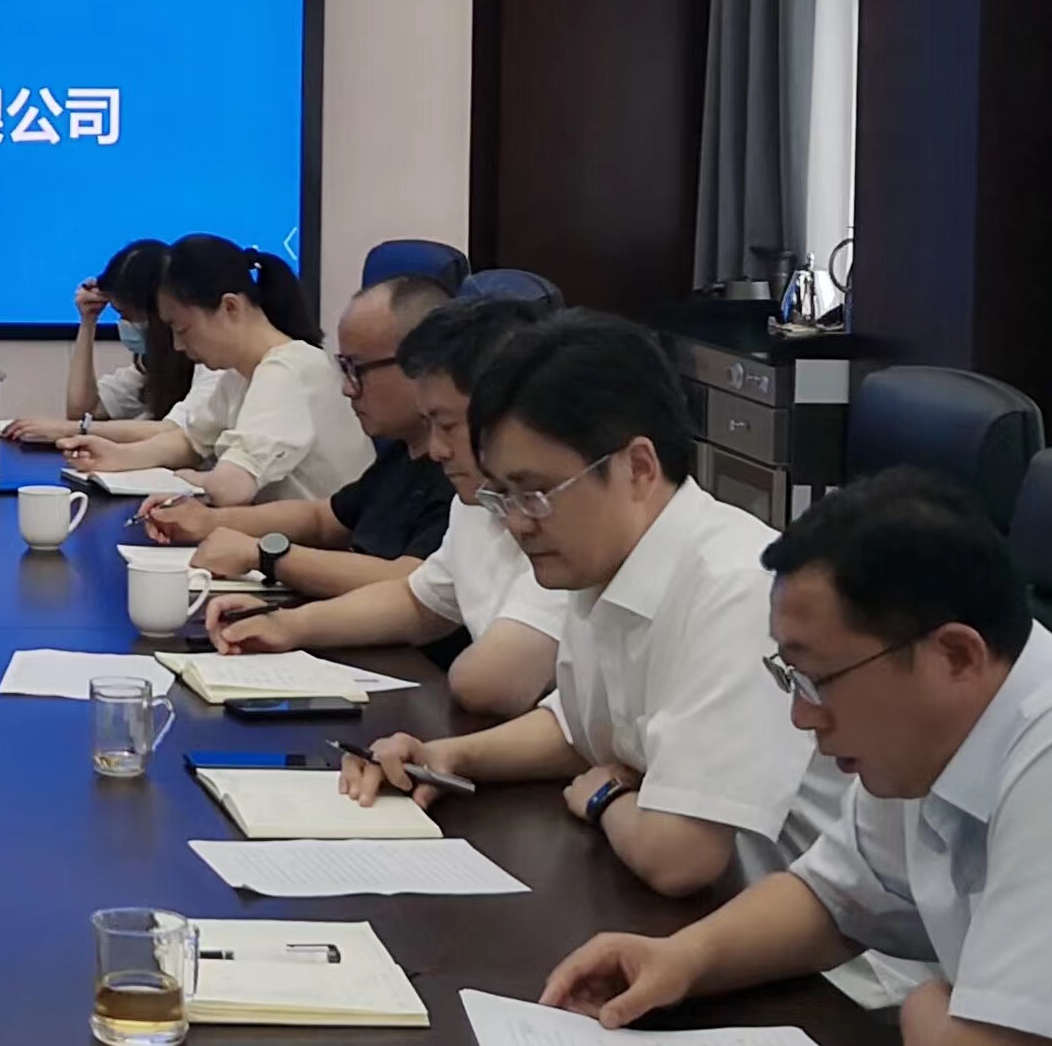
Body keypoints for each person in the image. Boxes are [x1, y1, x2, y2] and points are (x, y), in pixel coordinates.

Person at [340, 312, 845, 897]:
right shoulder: (602, 563)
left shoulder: (740, 591)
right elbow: (582, 729)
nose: (518, 523)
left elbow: (680, 856)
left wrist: (603, 796)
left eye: (536, 493)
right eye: (504, 496)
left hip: (804, 942)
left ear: (638, 468)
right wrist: (446, 756)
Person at [540, 472, 1049, 1046]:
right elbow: (834, 898)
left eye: (818, 679)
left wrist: (924, 1008)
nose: (802, 717)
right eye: (792, 678)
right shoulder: (925, 741)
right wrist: (683, 959)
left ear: (955, 656)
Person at [204, 295, 569, 717]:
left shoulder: (564, 518)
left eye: (448, 426)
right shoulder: (475, 502)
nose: (436, 449)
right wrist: (286, 625)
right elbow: (418, 602)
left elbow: (489, 683)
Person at [131, 276, 455, 600]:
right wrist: (207, 520)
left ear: (423, 364)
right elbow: (322, 518)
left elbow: (413, 581)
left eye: (358, 369)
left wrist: (265, 556)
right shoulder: (403, 453)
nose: (347, 388)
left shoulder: (458, 470)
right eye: (344, 368)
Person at [41, 234, 370, 506]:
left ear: (230, 307)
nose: (178, 346)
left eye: (182, 329)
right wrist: (117, 456)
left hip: (321, 550)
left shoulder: (287, 371)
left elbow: (230, 487)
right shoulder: (238, 374)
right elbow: (190, 441)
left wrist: (192, 480)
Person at [4, 238, 197, 443]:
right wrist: (88, 321)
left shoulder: (208, 366)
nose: (124, 324)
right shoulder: (152, 367)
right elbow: (82, 411)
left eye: (127, 315)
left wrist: (75, 430)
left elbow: (178, 432)